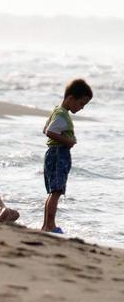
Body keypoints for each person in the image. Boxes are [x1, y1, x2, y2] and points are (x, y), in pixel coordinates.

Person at [41, 78, 93, 233]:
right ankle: (50, 225)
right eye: (81, 103)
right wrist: (68, 141)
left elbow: (45, 129)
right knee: (56, 191)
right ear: (70, 98)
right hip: (58, 154)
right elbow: (50, 132)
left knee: (53, 192)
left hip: (53, 154)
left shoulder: (57, 111)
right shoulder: (62, 115)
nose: (82, 108)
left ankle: (46, 225)